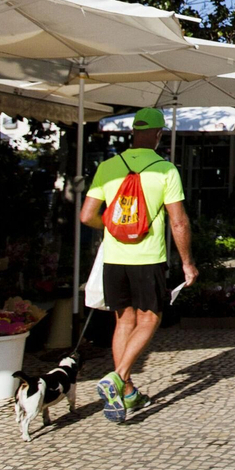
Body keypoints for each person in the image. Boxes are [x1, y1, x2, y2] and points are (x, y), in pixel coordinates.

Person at [80, 108, 197, 423]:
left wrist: (115, 229)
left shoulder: (108, 167)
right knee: (149, 320)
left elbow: (86, 215)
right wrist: (187, 263)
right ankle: (117, 377)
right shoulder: (165, 170)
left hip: (114, 258)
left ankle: (127, 392)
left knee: (124, 322)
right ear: (158, 134)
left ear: (133, 132)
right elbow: (179, 223)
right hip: (148, 258)